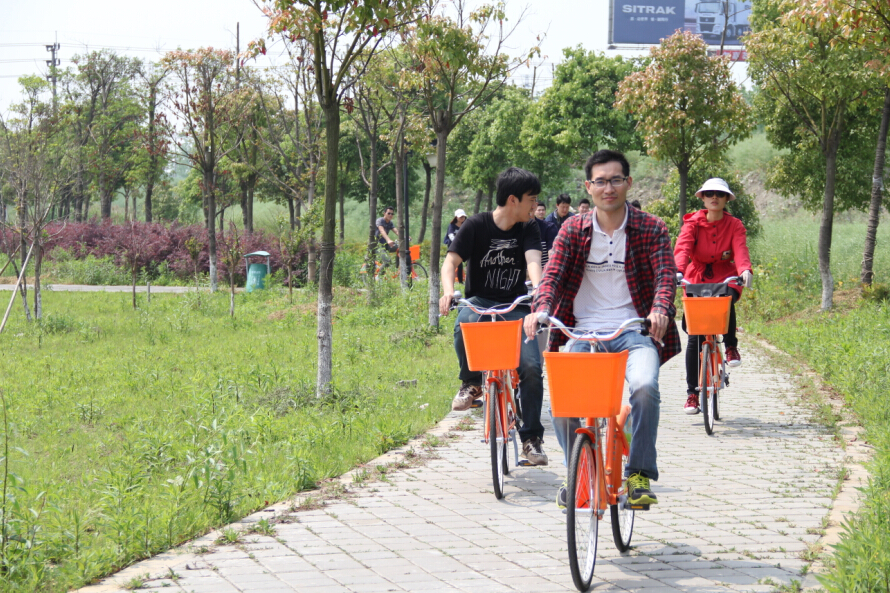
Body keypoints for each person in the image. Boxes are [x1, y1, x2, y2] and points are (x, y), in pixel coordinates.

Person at [525, 149, 680, 507]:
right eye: (600, 181)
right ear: (588, 187)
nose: (608, 188)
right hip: (582, 333)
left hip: (634, 331)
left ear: (628, 183)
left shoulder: (651, 228)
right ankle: (578, 471)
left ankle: (639, 474)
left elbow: (664, 277)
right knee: (562, 403)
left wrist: (660, 310)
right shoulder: (572, 229)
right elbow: (552, 277)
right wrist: (541, 309)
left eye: (615, 180)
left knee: (644, 387)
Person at [440, 167, 548, 466]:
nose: (535, 205)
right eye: (531, 199)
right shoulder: (476, 225)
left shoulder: (529, 227)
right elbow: (450, 263)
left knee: (531, 367)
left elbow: (533, 261)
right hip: (481, 302)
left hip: (516, 305)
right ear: (513, 200)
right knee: (463, 321)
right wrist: (448, 291)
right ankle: (471, 381)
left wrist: (539, 290)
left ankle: (531, 439)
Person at [674, 177, 753, 415]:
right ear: (703, 198)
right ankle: (692, 394)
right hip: (696, 276)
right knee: (694, 338)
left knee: (726, 299)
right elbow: (683, 247)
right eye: (709, 194)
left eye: (720, 194)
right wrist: (677, 270)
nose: (714, 198)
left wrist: (745, 270)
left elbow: (740, 250)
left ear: (727, 198)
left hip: (724, 275)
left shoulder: (734, 225)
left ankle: (730, 346)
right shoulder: (692, 224)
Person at [444, 209, 468, 283]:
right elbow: (450, 235)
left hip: (463, 246)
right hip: (453, 247)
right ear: (456, 217)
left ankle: (462, 280)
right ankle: (453, 280)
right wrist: (457, 242)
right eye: (460, 217)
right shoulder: (452, 225)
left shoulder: (466, 225)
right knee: (457, 264)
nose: (462, 218)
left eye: (463, 216)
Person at [534, 202, 559, 269]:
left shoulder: (550, 227)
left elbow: (551, 248)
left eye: (543, 210)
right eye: (539, 210)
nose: (541, 212)